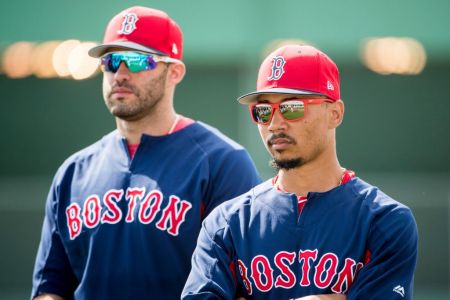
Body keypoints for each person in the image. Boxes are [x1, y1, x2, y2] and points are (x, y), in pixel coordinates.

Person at [31, 6, 261, 300]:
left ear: (174, 72)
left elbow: (246, 287)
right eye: (111, 61)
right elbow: (50, 287)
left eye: (137, 60)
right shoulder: (74, 172)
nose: (121, 74)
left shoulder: (222, 162)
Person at [182, 44, 418, 299]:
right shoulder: (226, 223)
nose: (275, 123)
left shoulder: (384, 220)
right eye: (263, 111)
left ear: (335, 114)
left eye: (291, 107)